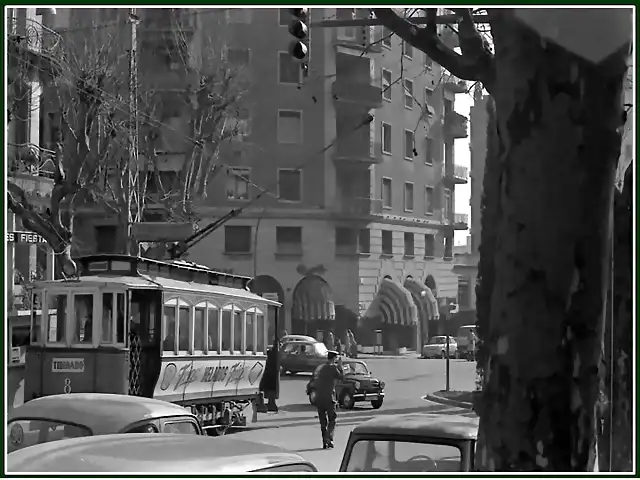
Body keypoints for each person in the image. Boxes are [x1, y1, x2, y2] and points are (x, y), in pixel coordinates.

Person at [312, 350, 343, 449]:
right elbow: (342, 377)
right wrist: (340, 366)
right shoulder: (333, 368)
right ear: (334, 358)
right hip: (329, 398)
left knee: (322, 421)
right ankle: (329, 438)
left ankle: (324, 441)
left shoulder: (322, 368)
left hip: (319, 397)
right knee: (332, 419)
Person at [259, 343, 279, 413]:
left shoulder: (271, 355)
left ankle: (265, 403)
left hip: (269, 374)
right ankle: (270, 403)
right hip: (271, 374)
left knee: (263, 386)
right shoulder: (274, 355)